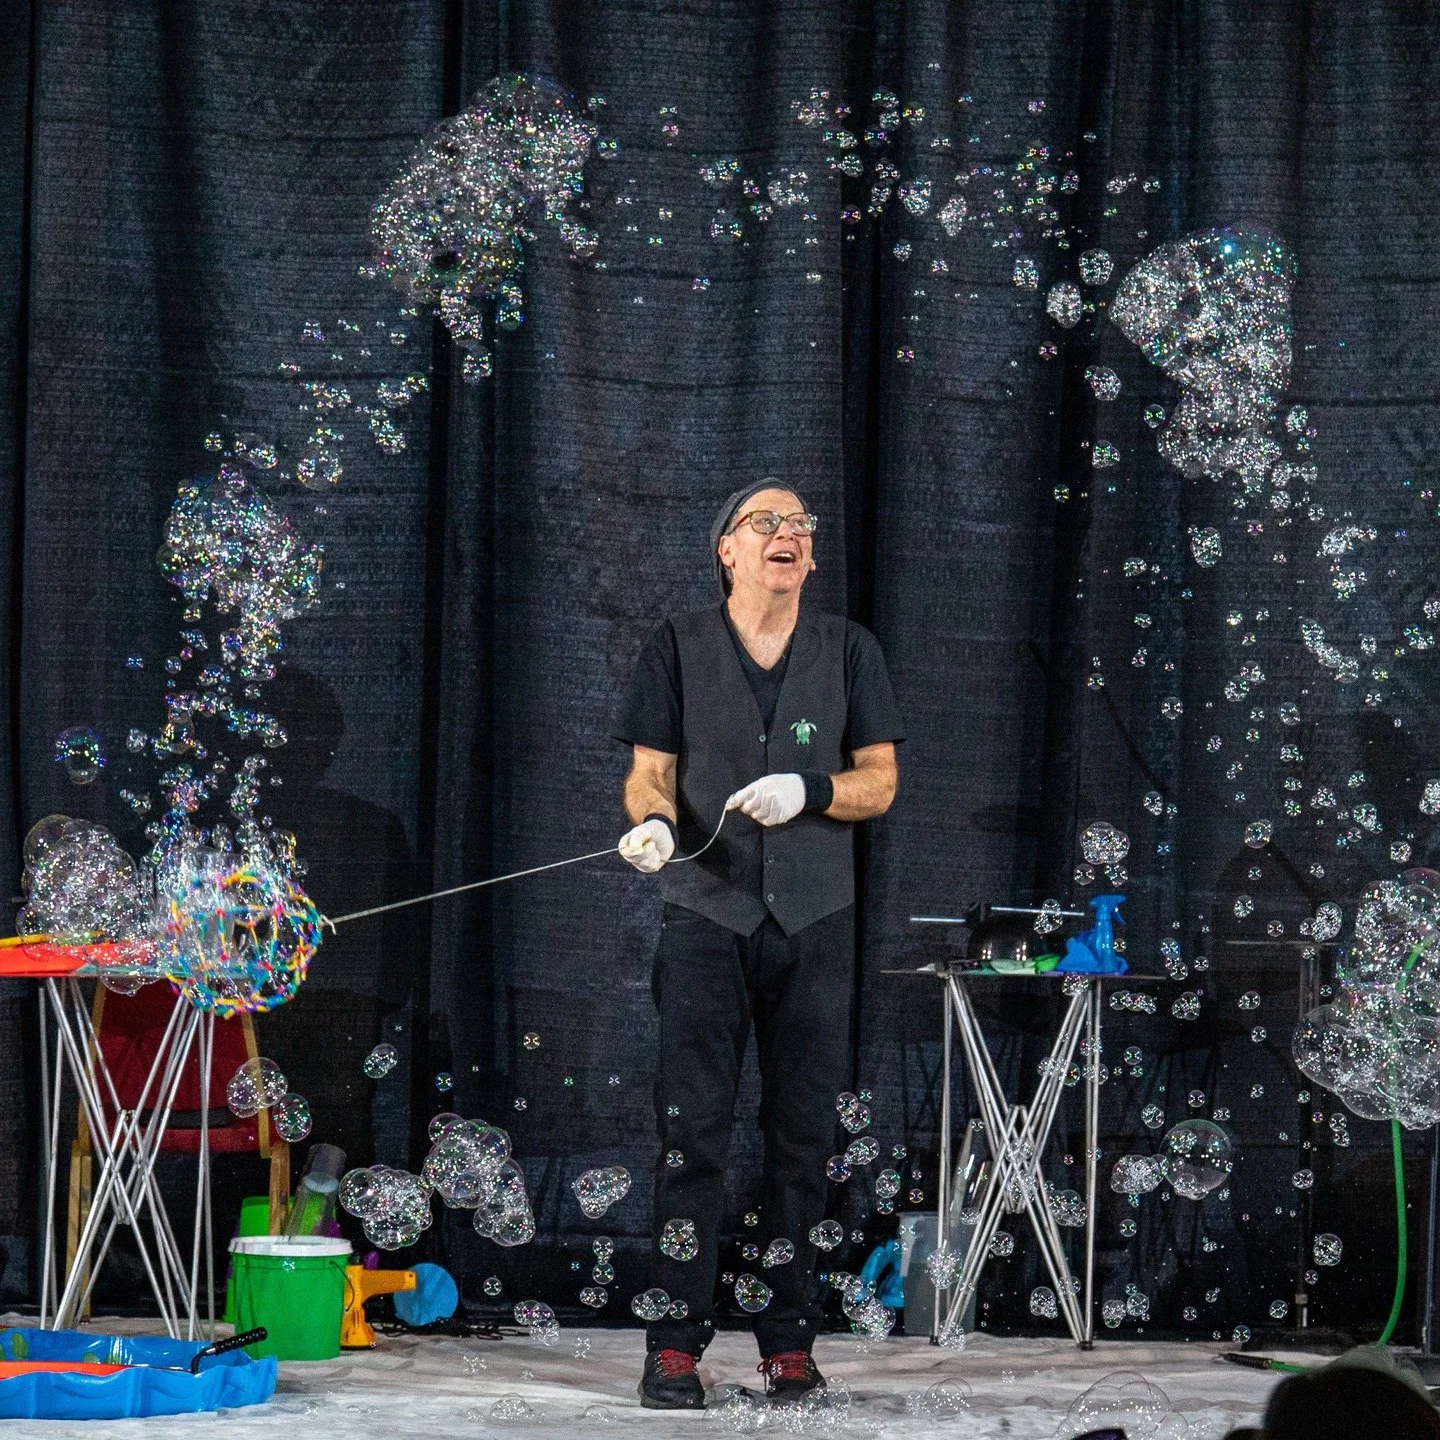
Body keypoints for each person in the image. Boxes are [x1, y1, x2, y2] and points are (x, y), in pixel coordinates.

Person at [613, 479, 903, 1408]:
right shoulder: (676, 646)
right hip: (706, 917)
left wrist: (811, 793)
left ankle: (787, 1341)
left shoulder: (850, 650)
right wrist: (654, 827)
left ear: (810, 558)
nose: (786, 535)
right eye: (763, 523)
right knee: (689, 1135)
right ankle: (674, 1347)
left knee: (801, 1141)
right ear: (727, 550)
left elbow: (881, 782)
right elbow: (648, 776)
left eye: (800, 526)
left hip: (815, 924)